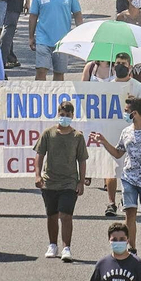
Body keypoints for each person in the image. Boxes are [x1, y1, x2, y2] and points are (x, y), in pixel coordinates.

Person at [92, 96, 141, 256]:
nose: (124, 114)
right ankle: (132, 248)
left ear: (135, 113)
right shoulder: (126, 131)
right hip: (129, 177)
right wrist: (104, 142)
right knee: (129, 212)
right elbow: (118, 153)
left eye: (126, 111)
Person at [34, 100, 89, 262]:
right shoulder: (48, 134)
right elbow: (39, 155)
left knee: (66, 215)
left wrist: (81, 182)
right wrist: (37, 175)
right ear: (58, 114)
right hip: (50, 181)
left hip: (69, 183)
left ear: (73, 116)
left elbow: (82, 160)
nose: (64, 117)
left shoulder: (77, 137)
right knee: (51, 215)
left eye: (68, 115)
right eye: (62, 115)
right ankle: (53, 245)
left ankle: (66, 248)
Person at [29, 0, 84, 81]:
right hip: (43, 39)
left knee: (59, 73)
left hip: (62, 41)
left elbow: (77, 14)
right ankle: (40, 96)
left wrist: (81, 35)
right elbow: (33, 15)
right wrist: (31, 36)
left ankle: (56, 99)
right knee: (41, 70)